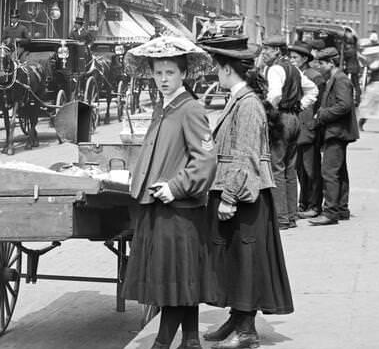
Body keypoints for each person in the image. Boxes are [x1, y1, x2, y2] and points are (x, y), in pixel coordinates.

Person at [122, 35, 216, 349]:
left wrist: (175, 187)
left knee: (172, 279)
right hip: (160, 207)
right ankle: (190, 339)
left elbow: (205, 159)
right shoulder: (163, 108)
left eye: (170, 73)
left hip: (178, 211)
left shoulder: (189, 109)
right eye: (158, 72)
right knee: (181, 276)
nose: (163, 79)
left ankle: (162, 343)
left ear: (183, 74)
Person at [200, 40, 293, 349]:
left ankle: (247, 331)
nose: (215, 73)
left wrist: (229, 197)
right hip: (239, 191)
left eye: (217, 68)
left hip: (244, 196)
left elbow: (246, 155)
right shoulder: (239, 99)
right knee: (235, 261)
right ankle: (236, 319)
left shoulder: (248, 103)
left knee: (246, 261)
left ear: (227, 70)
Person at [259, 39, 316, 230]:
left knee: (276, 168)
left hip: (280, 119)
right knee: (290, 170)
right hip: (294, 119)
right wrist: (300, 105)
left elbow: (274, 94)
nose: (264, 52)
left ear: (276, 50)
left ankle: (281, 218)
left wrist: (265, 109)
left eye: (266, 49)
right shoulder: (293, 69)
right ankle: (291, 216)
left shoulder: (275, 69)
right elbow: (312, 90)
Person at [309, 47, 358, 226]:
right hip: (338, 131)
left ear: (331, 63)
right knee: (339, 171)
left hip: (337, 131)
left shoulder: (340, 79)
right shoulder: (337, 78)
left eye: (321, 63)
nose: (319, 66)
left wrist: (322, 114)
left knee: (329, 171)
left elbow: (344, 105)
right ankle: (341, 208)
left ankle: (330, 212)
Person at [290, 44, 324, 218]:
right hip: (298, 128)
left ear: (304, 59)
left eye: (295, 58)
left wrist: (314, 125)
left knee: (312, 169)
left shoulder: (315, 77)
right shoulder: (294, 75)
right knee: (300, 169)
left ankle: (315, 205)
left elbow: (320, 106)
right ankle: (303, 203)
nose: (292, 60)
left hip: (310, 128)